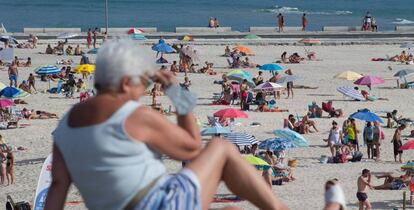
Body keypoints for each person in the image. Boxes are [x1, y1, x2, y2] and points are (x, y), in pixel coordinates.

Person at [44, 40, 288, 210]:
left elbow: (58, 186)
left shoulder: (66, 124)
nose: (143, 91)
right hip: (160, 203)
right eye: (144, 84)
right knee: (219, 148)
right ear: (126, 82)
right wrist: (176, 93)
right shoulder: (131, 114)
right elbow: (191, 148)